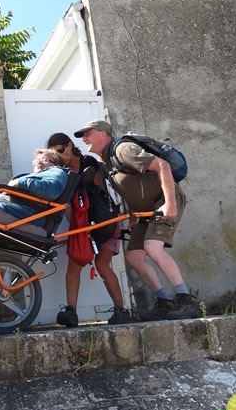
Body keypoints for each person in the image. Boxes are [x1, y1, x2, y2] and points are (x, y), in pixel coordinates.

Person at [74, 119, 200, 320]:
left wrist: (169, 204)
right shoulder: (106, 163)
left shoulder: (123, 150)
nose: (84, 139)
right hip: (145, 212)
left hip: (164, 202)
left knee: (152, 247)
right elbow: (129, 187)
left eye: (87, 133)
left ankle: (187, 300)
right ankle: (164, 302)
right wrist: (132, 215)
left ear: (102, 133)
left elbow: (163, 166)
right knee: (133, 256)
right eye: (83, 136)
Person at [47, 133, 132, 327]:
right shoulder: (62, 172)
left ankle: (121, 311)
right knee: (74, 264)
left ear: (70, 145)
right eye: (55, 154)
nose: (60, 155)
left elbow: (107, 192)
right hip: (83, 224)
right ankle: (71, 312)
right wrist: (76, 229)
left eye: (61, 151)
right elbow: (67, 205)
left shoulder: (89, 162)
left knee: (102, 264)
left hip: (107, 220)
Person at [0, 148, 68, 226]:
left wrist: (19, 182)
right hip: (9, 207)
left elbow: (50, 191)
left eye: (45, 160)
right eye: (36, 160)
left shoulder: (56, 171)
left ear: (56, 164)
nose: (39, 162)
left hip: (26, 213)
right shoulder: (36, 175)